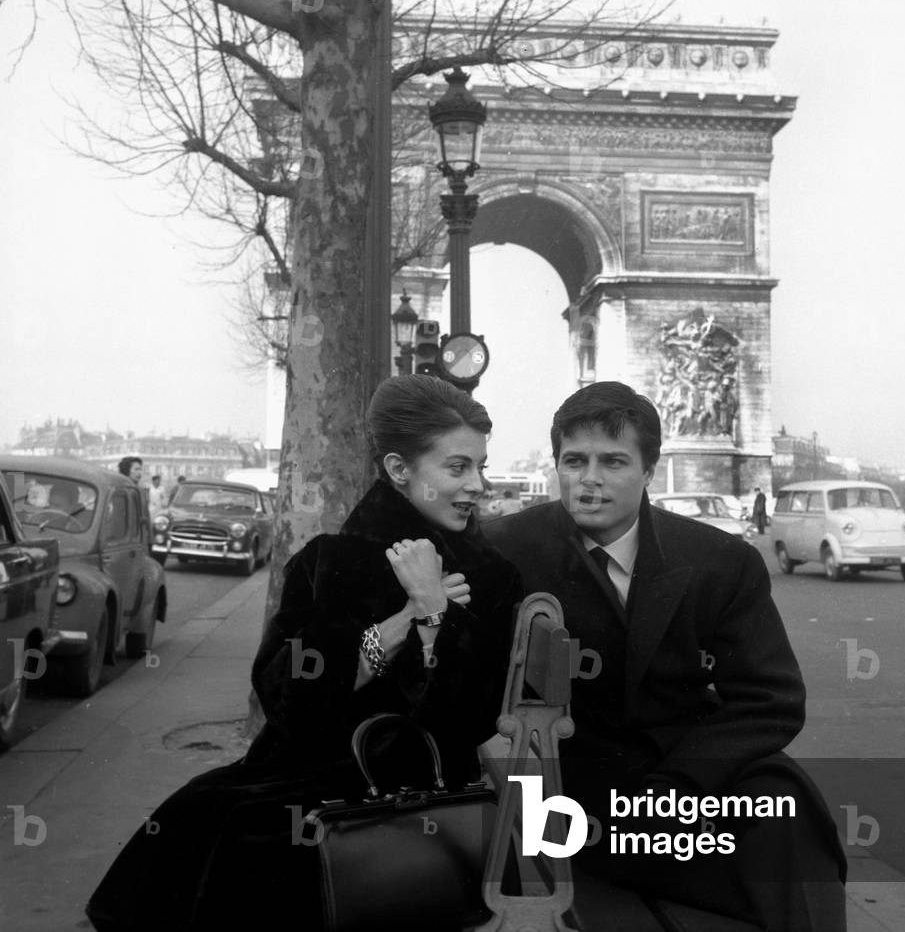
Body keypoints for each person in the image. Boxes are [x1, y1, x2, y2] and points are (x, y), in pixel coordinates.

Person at [87, 375, 523, 931]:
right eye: (458, 468)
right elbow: (285, 696)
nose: (478, 485)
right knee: (207, 816)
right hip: (307, 767)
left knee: (252, 840)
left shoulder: (491, 577)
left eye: (480, 466)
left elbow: (473, 716)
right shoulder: (330, 562)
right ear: (398, 470)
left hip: (421, 785)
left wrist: (438, 612)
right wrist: (403, 621)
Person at [483, 382, 846, 932]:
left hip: (685, 784)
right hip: (563, 780)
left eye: (613, 462)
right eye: (574, 461)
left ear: (650, 470)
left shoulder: (721, 561)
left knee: (785, 811)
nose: (590, 479)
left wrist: (681, 784)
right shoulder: (502, 550)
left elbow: (770, 701)